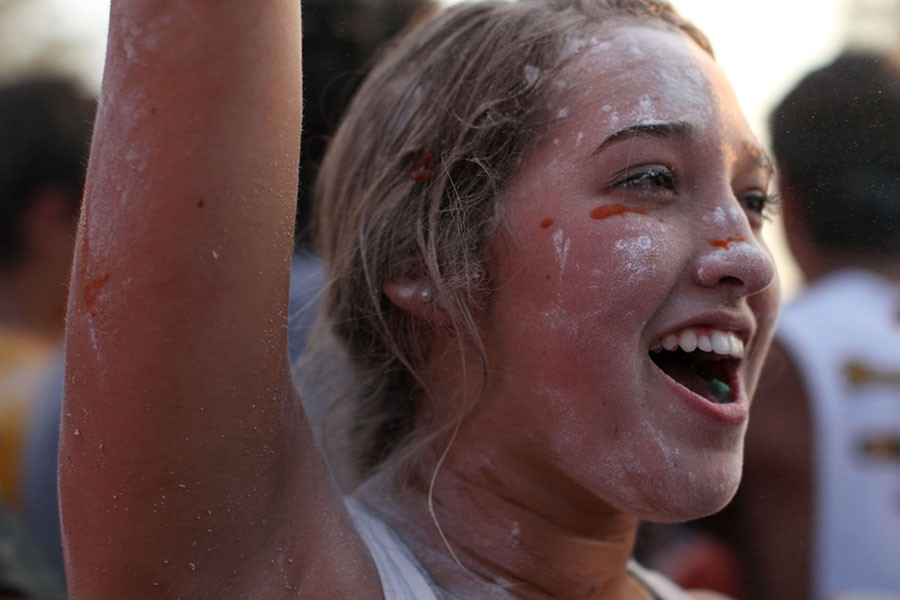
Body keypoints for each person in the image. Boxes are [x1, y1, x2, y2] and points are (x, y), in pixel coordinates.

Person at [59, 1, 781, 598]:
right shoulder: (270, 578)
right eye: (651, 179)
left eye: (754, 201)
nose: (747, 255)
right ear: (427, 260)